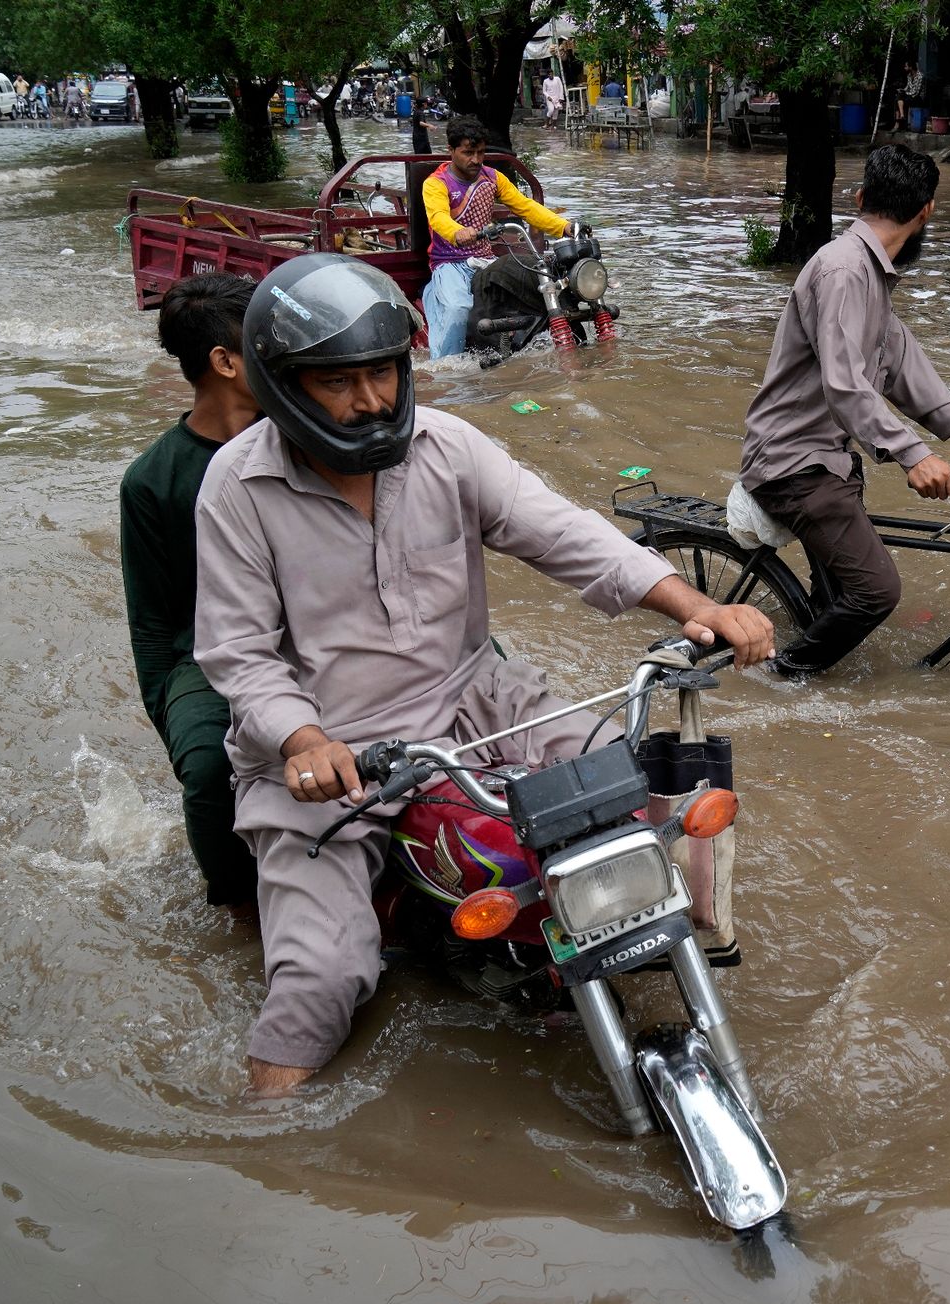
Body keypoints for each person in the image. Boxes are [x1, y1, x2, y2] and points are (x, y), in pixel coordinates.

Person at [193, 254, 773, 1094]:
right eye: (338, 381)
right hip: (330, 759)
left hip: (477, 703)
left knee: (642, 810)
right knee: (321, 979)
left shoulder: (448, 447)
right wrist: (305, 739)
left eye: (383, 374)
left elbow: (563, 532)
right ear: (283, 384)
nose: (371, 401)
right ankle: (265, 1140)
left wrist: (690, 603)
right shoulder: (236, 487)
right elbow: (238, 655)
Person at [739, 145, 950, 678]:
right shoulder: (843, 271)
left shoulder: (871, 276)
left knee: (841, 598)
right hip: (794, 462)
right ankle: (775, 679)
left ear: (861, 197)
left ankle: (809, 662)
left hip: (831, 460)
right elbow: (845, 385)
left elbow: (906, 371)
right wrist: (914, 455)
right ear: (926, 212)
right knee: (877, 592)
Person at [120, 274, 264, 915]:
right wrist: (173, 720)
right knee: (210, 770)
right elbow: (153, 623)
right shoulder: (152, 480)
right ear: (226, 362)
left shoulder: (308, 439)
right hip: (205, 655)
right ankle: (240, 911)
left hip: (311, 626)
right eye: (263, 342)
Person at [419, 115, 573, 358]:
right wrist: (457, 232)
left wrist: (565, 227)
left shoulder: (492, 177)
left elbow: (526, 207)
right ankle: (446, 368)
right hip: (449, 263)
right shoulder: (436, 183)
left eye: (480, 152)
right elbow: (438, 217)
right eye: (468, 152)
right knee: (457, 309)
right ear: (451, 150)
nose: (476, 160)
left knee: (539, 291)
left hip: (485, 259)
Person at [891, 60, 924, 131]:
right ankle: (902, 117)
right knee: (898, 97)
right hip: (910, 95)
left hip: (918, 97)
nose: (904, 68)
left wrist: (905, 93)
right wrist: (903, 90)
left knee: (899, 99)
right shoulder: (909, 75)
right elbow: (908, 87)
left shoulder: (920, 76)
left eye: (906, 66)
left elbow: (916, 92)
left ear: (911, 67)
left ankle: (898, 123)